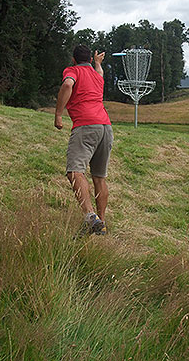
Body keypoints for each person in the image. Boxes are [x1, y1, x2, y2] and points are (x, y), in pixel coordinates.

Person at [54, 44, 113, 236]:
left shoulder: (72, 71)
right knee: (99, 177)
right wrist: (97, 63)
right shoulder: (97, 76)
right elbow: (100, 73)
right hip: (106, 127)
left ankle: (89, 216)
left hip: (86, 126)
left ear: (73, 59)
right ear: (89, 59)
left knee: (75, 172)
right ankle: (101, 223)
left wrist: (58, 114)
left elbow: (68, 84)